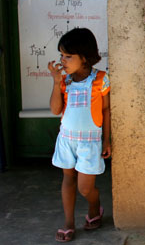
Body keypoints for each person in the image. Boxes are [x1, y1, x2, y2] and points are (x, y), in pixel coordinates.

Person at [48, 28, 110, 243]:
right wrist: (56, 83)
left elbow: (106, 110)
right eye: (61, 55)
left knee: (85, 186)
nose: (62, 61)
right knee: (68, 179)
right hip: (67, 140)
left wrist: (107, 139)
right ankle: (69, 223)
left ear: (84, 57)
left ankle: (94, 206)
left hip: (90, 142)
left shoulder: (101, 79)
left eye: (68, 56)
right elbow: (56, 110)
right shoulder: (64, 82)